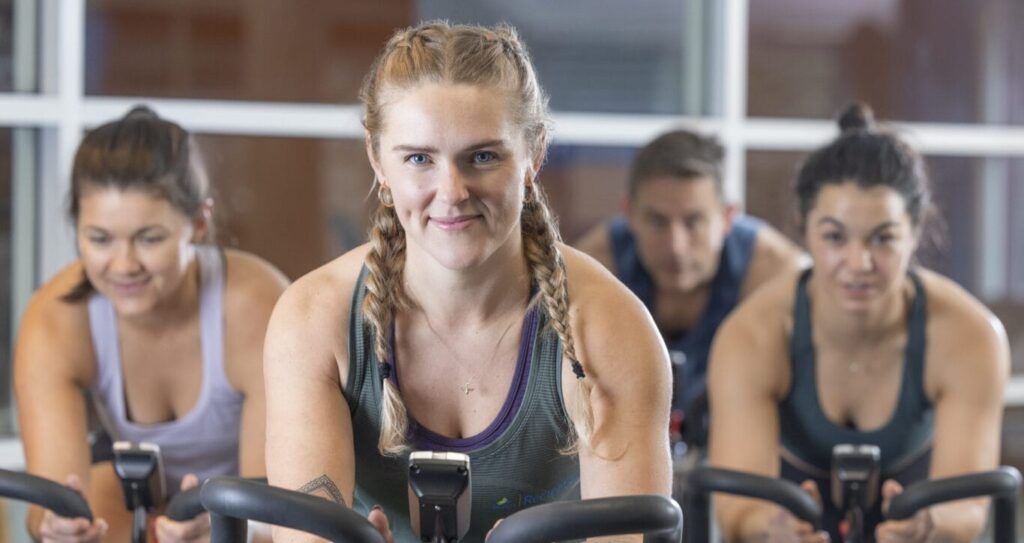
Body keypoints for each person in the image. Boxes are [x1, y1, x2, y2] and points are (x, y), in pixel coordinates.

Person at [264, 21, 672, 543]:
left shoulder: (609, 328)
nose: (452, 192)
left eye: (483, 157)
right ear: (377, 160)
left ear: (533, 154)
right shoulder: (313, 320)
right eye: (419, 159)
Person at [707, 103, 1009, 542]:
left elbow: (968, 506)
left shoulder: (970, 336)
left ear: (915, 233)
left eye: (883, 238)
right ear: (804, 229)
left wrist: (930, 526)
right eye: (834, 237)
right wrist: (769, 529)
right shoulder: (752, 335)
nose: (858, 263)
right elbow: (736, 511)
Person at [14, 106, 288, 543]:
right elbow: (44, 507)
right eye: (99, 239)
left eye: (150, 238)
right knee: (90, 508)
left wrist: (230, 530)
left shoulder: (256, 307)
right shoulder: (56, 318)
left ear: (198, 223)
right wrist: (56, 528)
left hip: (243, 503)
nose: (123, 266)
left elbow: (283, 510)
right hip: (125, 491)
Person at [575, 129, 804, 429]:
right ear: (629, 214)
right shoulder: (591, 269)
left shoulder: (776, 273)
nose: (676, 246)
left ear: (727, 216)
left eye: (694, 221)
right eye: (657, 221)